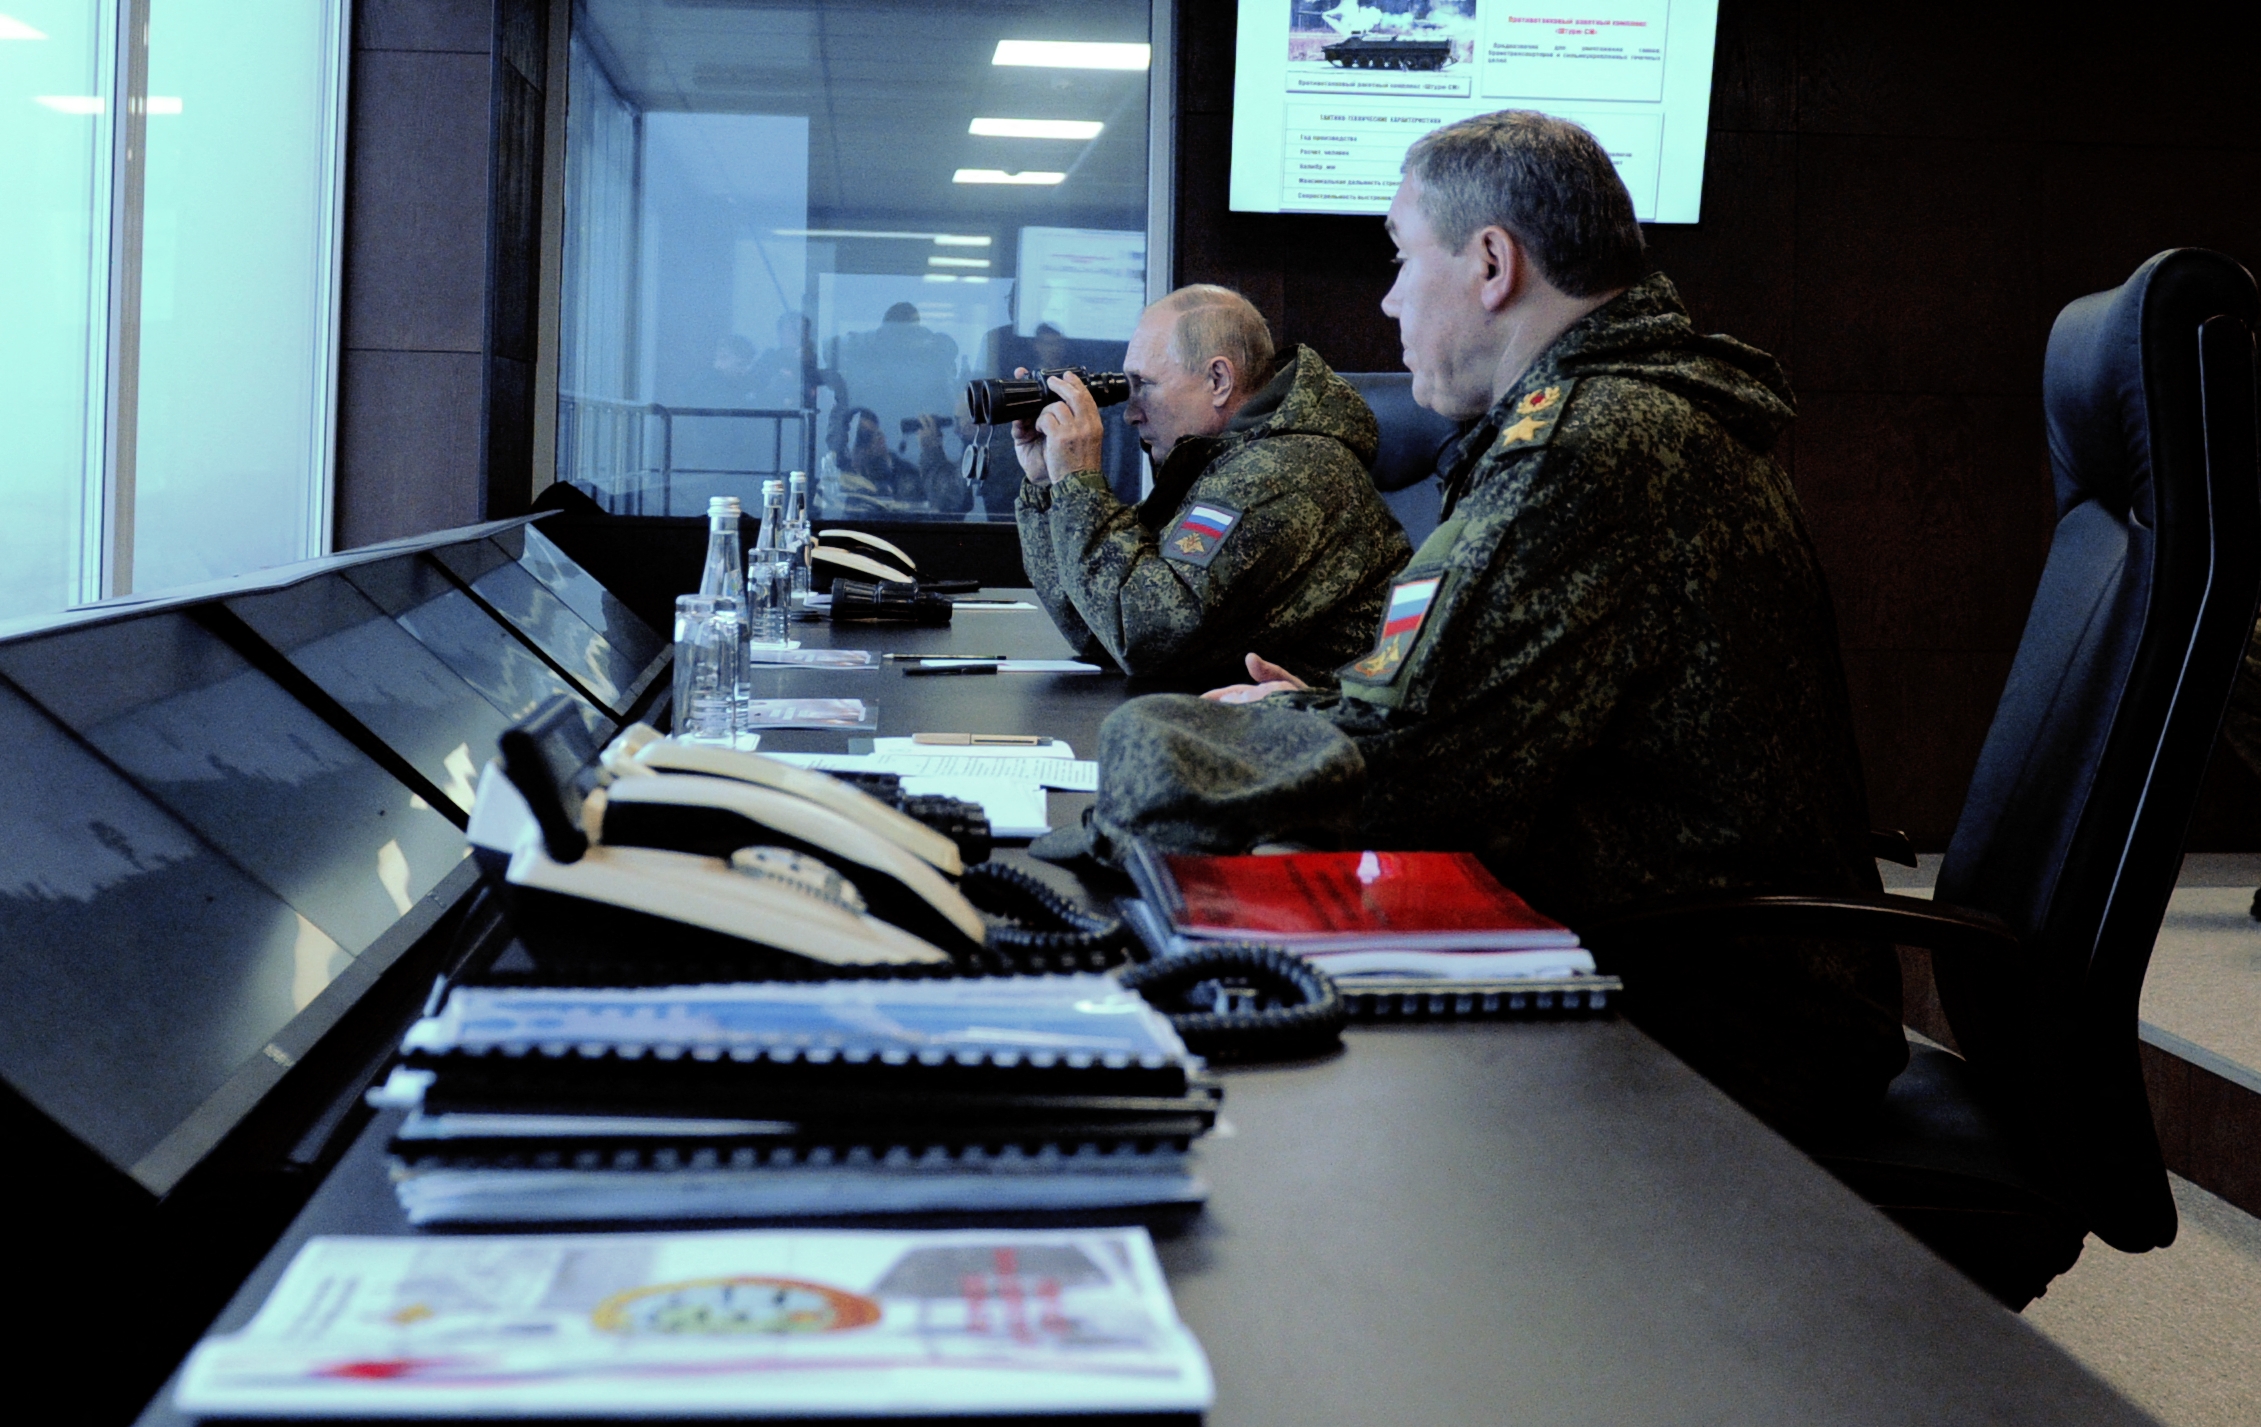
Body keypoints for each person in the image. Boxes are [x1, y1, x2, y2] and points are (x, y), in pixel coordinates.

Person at [1196, 111, 1906, 1130]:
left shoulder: (1587, 443)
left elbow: (1403, 783)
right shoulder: (1634, 410)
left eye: (1401, 260)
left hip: (1709, 1011)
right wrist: (1318, 711)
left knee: (1274, 1105)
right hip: (1697, 955)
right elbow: (1474, 726)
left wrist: (1210, 740)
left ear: (1491, 262)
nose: (1389, 300)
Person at [1013, 285, 1412, 687]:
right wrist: (1049, 484)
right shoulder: (1222, 461)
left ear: (1218, 379)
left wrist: (1079, 484)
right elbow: (1097, 624)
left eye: (1144, 385)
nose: (1131, 414)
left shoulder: (1283, 473)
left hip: (1329, 735)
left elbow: (1144, 636)